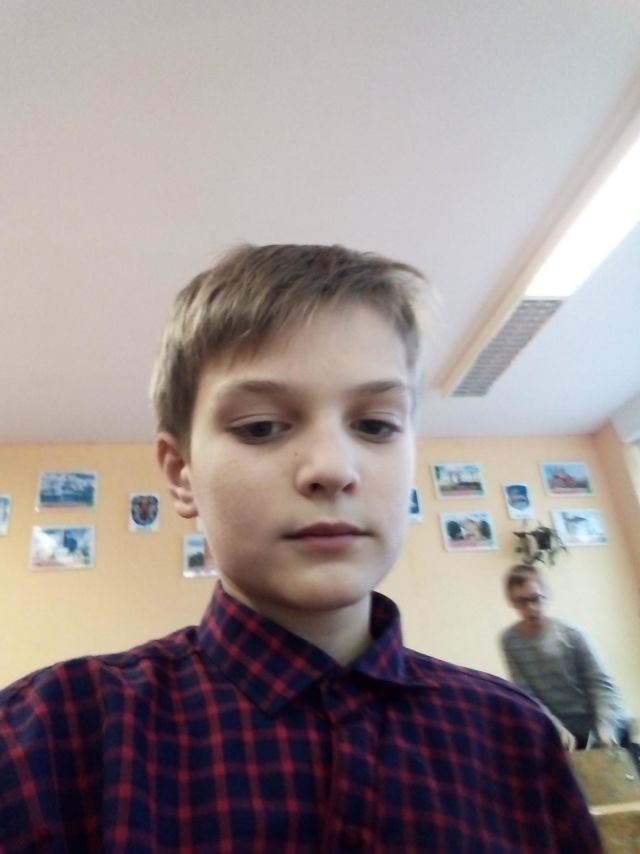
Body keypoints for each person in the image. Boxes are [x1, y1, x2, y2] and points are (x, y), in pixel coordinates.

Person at [0, 245, 600, 852]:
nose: (333, 469)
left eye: (375, 425)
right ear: (182, 474)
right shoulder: (45, 740)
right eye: (261, 427)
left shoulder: (515, 739)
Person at [500, 563, 629, 751]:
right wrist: (556, 729)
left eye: (536, 598)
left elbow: (600, 684)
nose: (531, 608)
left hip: (601, 723)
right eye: (521, 601)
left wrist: (606, 729)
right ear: (511, 602)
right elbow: (527, 694)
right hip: (561, 731)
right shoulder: (510, 641)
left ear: (546, 594)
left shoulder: (571, 634)